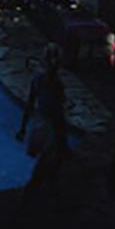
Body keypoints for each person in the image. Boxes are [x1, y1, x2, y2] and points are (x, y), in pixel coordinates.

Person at [16, 43, 69, 212]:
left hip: (39, 127)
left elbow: (30, 104)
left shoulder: (38, 79)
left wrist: (23, 128)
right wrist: (63, 139)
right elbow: (58, 112)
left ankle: (56, 202)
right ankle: (25, 205)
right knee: (43, 171)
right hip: (51, 130)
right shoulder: (57, 84)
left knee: (49, 169)